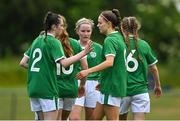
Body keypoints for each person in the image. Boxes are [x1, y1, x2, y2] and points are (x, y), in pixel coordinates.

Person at [19, 11, 92, 120]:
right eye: (61, 25)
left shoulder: (37, 40)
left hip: (33, 88)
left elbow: (23, 62)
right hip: (47, 89)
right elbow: (64, 63)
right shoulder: (54, 42)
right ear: (54, 26)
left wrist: (42, 69)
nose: (63, 28)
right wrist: (83, 53)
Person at [76, 9, 127, 120]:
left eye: (100, 23)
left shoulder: (110, 40)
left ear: (109, 24)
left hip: (112, 87)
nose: (98, 25)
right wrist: (103, 80)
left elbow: (109, 62)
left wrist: (88, 71)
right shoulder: (119, 37)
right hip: (108, 85)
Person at [119, 16, 162, 120]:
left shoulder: (118, 44)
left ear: (122, 28)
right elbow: (154, 68)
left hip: (121, 91)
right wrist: (157, 85)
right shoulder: (144, 45)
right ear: (137, 28)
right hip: (140, 91)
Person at [55, 15, 88, 120]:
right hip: (71, 89)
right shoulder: (75, 43)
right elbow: (85, 68)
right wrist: (82, 85)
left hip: (55, 88)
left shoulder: (51, 43)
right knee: (64, 119)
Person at [69, 18, 102, 120]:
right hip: (77, 82)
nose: (86, 33)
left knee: (92, 118)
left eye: (88, 31)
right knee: (74, 118)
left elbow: (104, 66)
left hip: (94, 84)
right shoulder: (71, 46)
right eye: (83, 31)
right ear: (77, 31)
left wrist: (103, 80)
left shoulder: (98, 48)